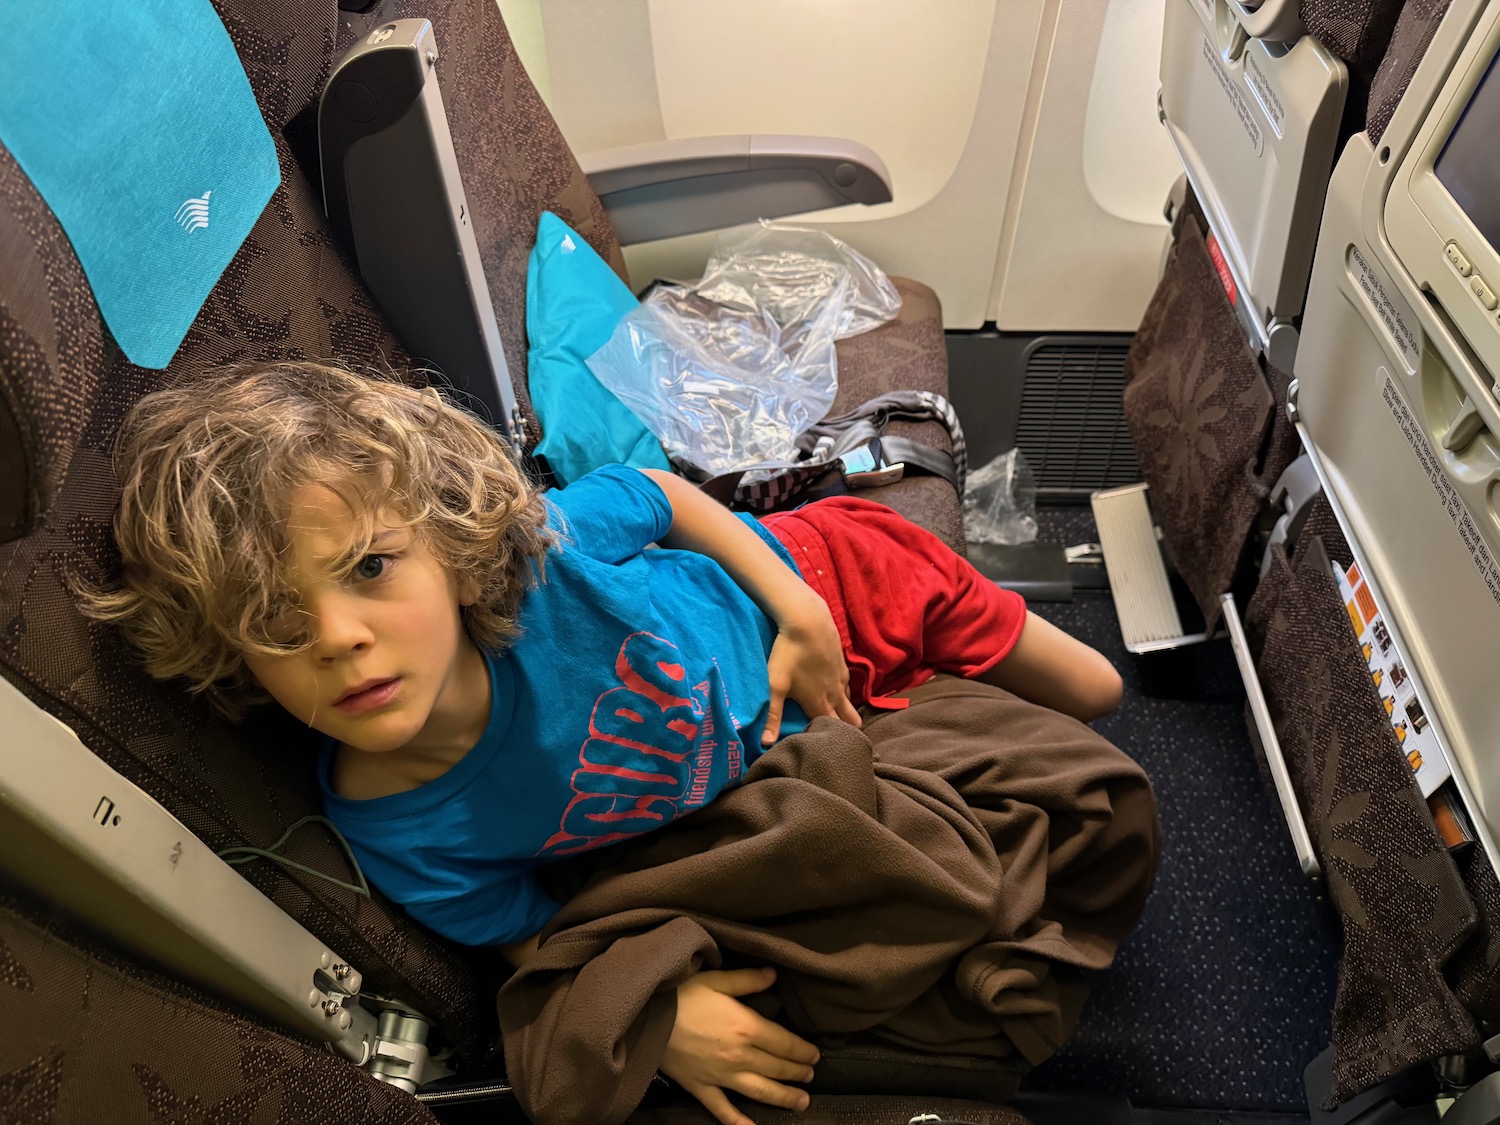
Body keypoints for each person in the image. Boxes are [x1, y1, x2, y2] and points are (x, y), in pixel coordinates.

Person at [89, 360, 1123, 1125]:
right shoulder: (402, 830)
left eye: (369, 569)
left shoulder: (548, 555)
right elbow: (542, 936)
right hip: (796, 752)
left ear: (448, 547)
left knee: (1093, 692)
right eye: (275, 619)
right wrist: (659, 1013)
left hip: (839, 586)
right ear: (230, 653)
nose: (338, 638)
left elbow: (666, 497)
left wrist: (800, 607)